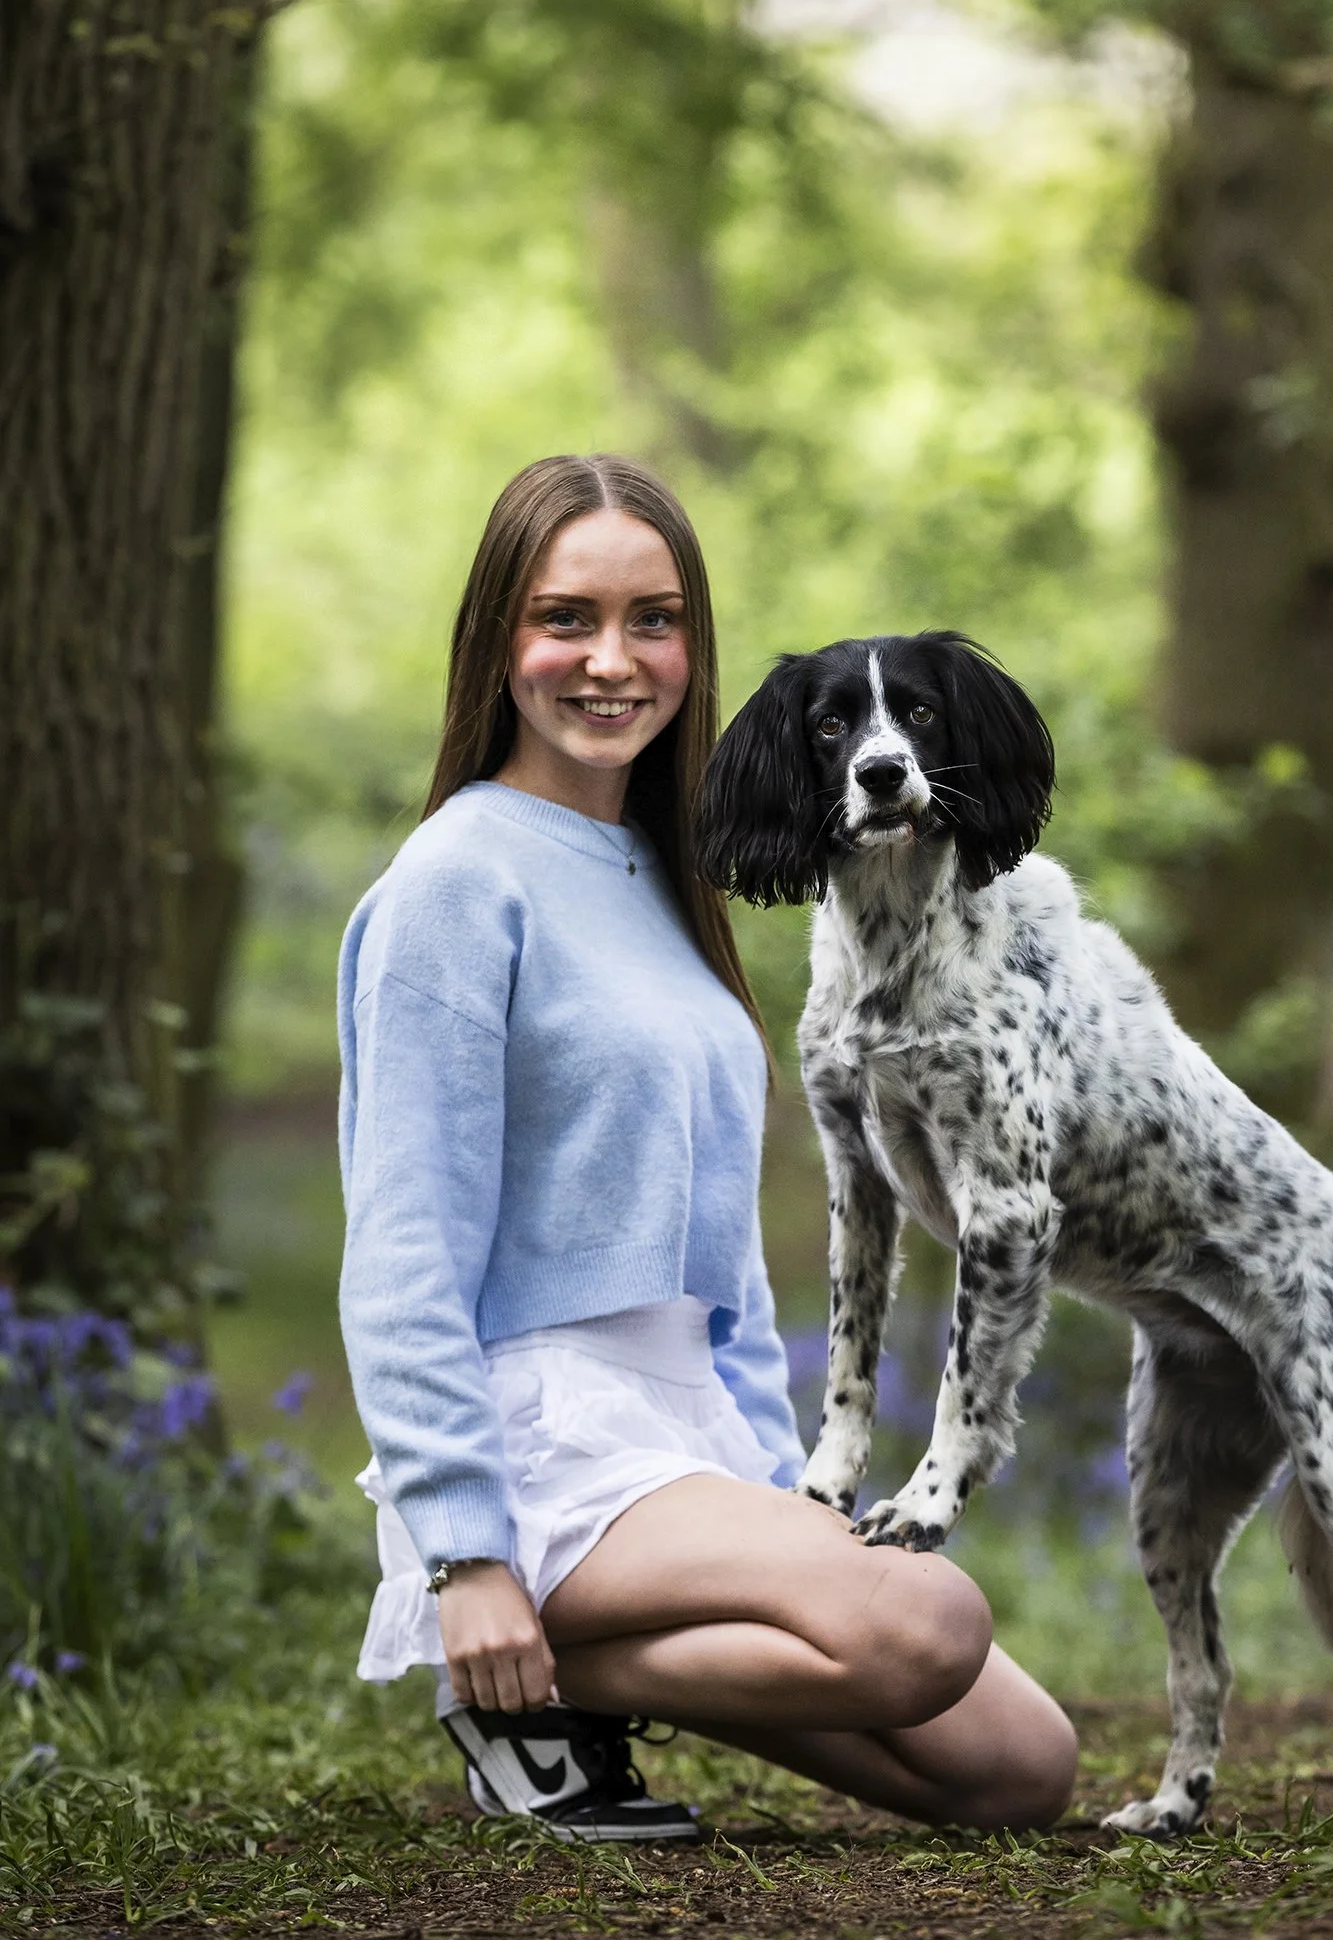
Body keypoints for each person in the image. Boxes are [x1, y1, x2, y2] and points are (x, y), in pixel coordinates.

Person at [338, 453, 1078, 1840]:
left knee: (1020, 1766)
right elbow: (402, 1250)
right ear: (498, 639)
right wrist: (465, 1548)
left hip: (678, 1434)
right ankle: (488, 1659)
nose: (611, 661)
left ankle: (556, 1682)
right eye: (566, 619)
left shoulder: (673, 886)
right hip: (538, 1435)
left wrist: (766, 1480)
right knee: (927, 1619)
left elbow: (716, 1255)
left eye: (654, 620)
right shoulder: (454, 878)